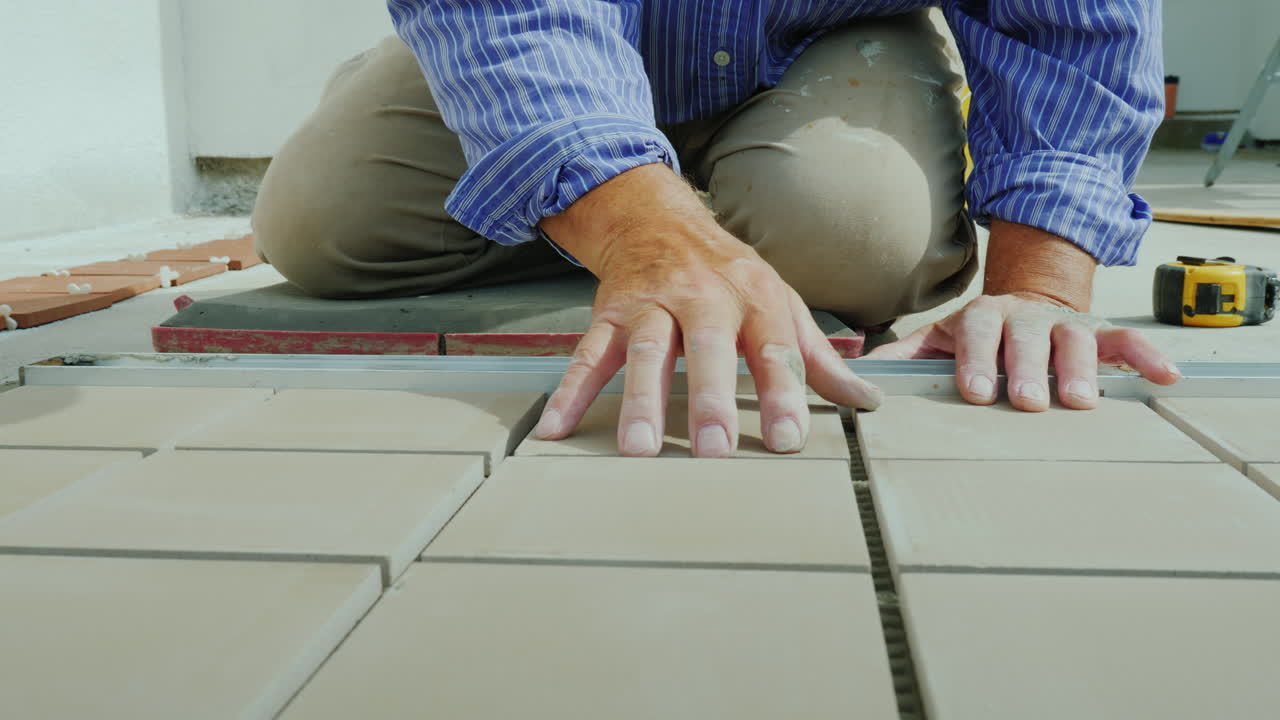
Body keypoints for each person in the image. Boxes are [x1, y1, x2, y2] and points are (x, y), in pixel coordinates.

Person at [252, 1, 1180, 459]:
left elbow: (1073, 22)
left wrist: (1040, 281)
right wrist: (636, 233)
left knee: (855, 239)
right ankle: (621, 188)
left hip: (828, 40)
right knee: (322, 228)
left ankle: (670, 206)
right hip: (567, 33)